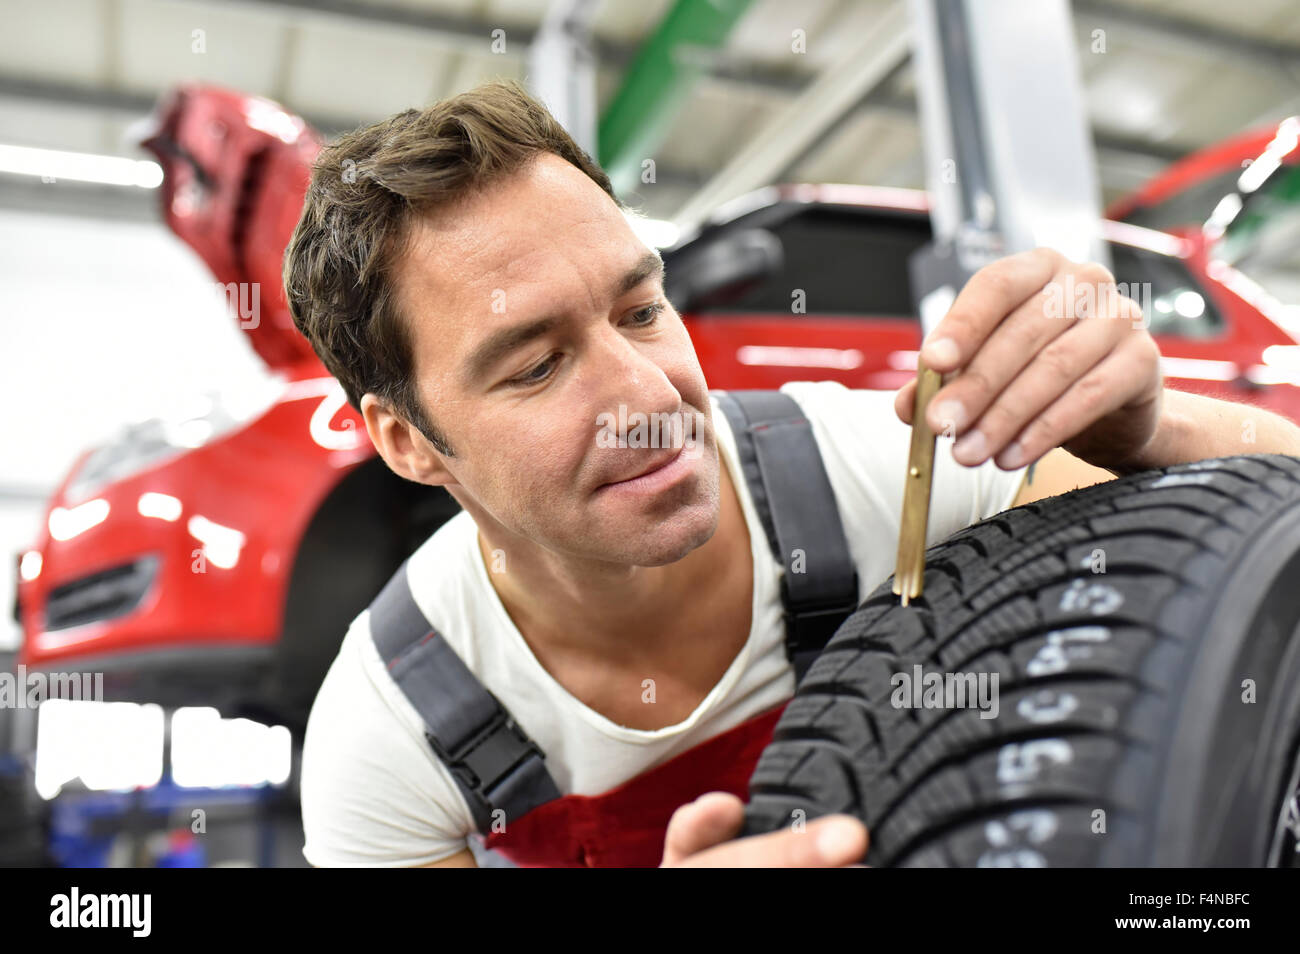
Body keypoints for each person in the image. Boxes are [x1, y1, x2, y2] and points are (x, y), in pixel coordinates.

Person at [286, 80, 1300, 867]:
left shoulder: (866, 471)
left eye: (641, 311)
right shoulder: (392, 733)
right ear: (407, 440)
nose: (648, 397)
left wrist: (1152, 427)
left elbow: (1267, 514)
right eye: (537, 364)